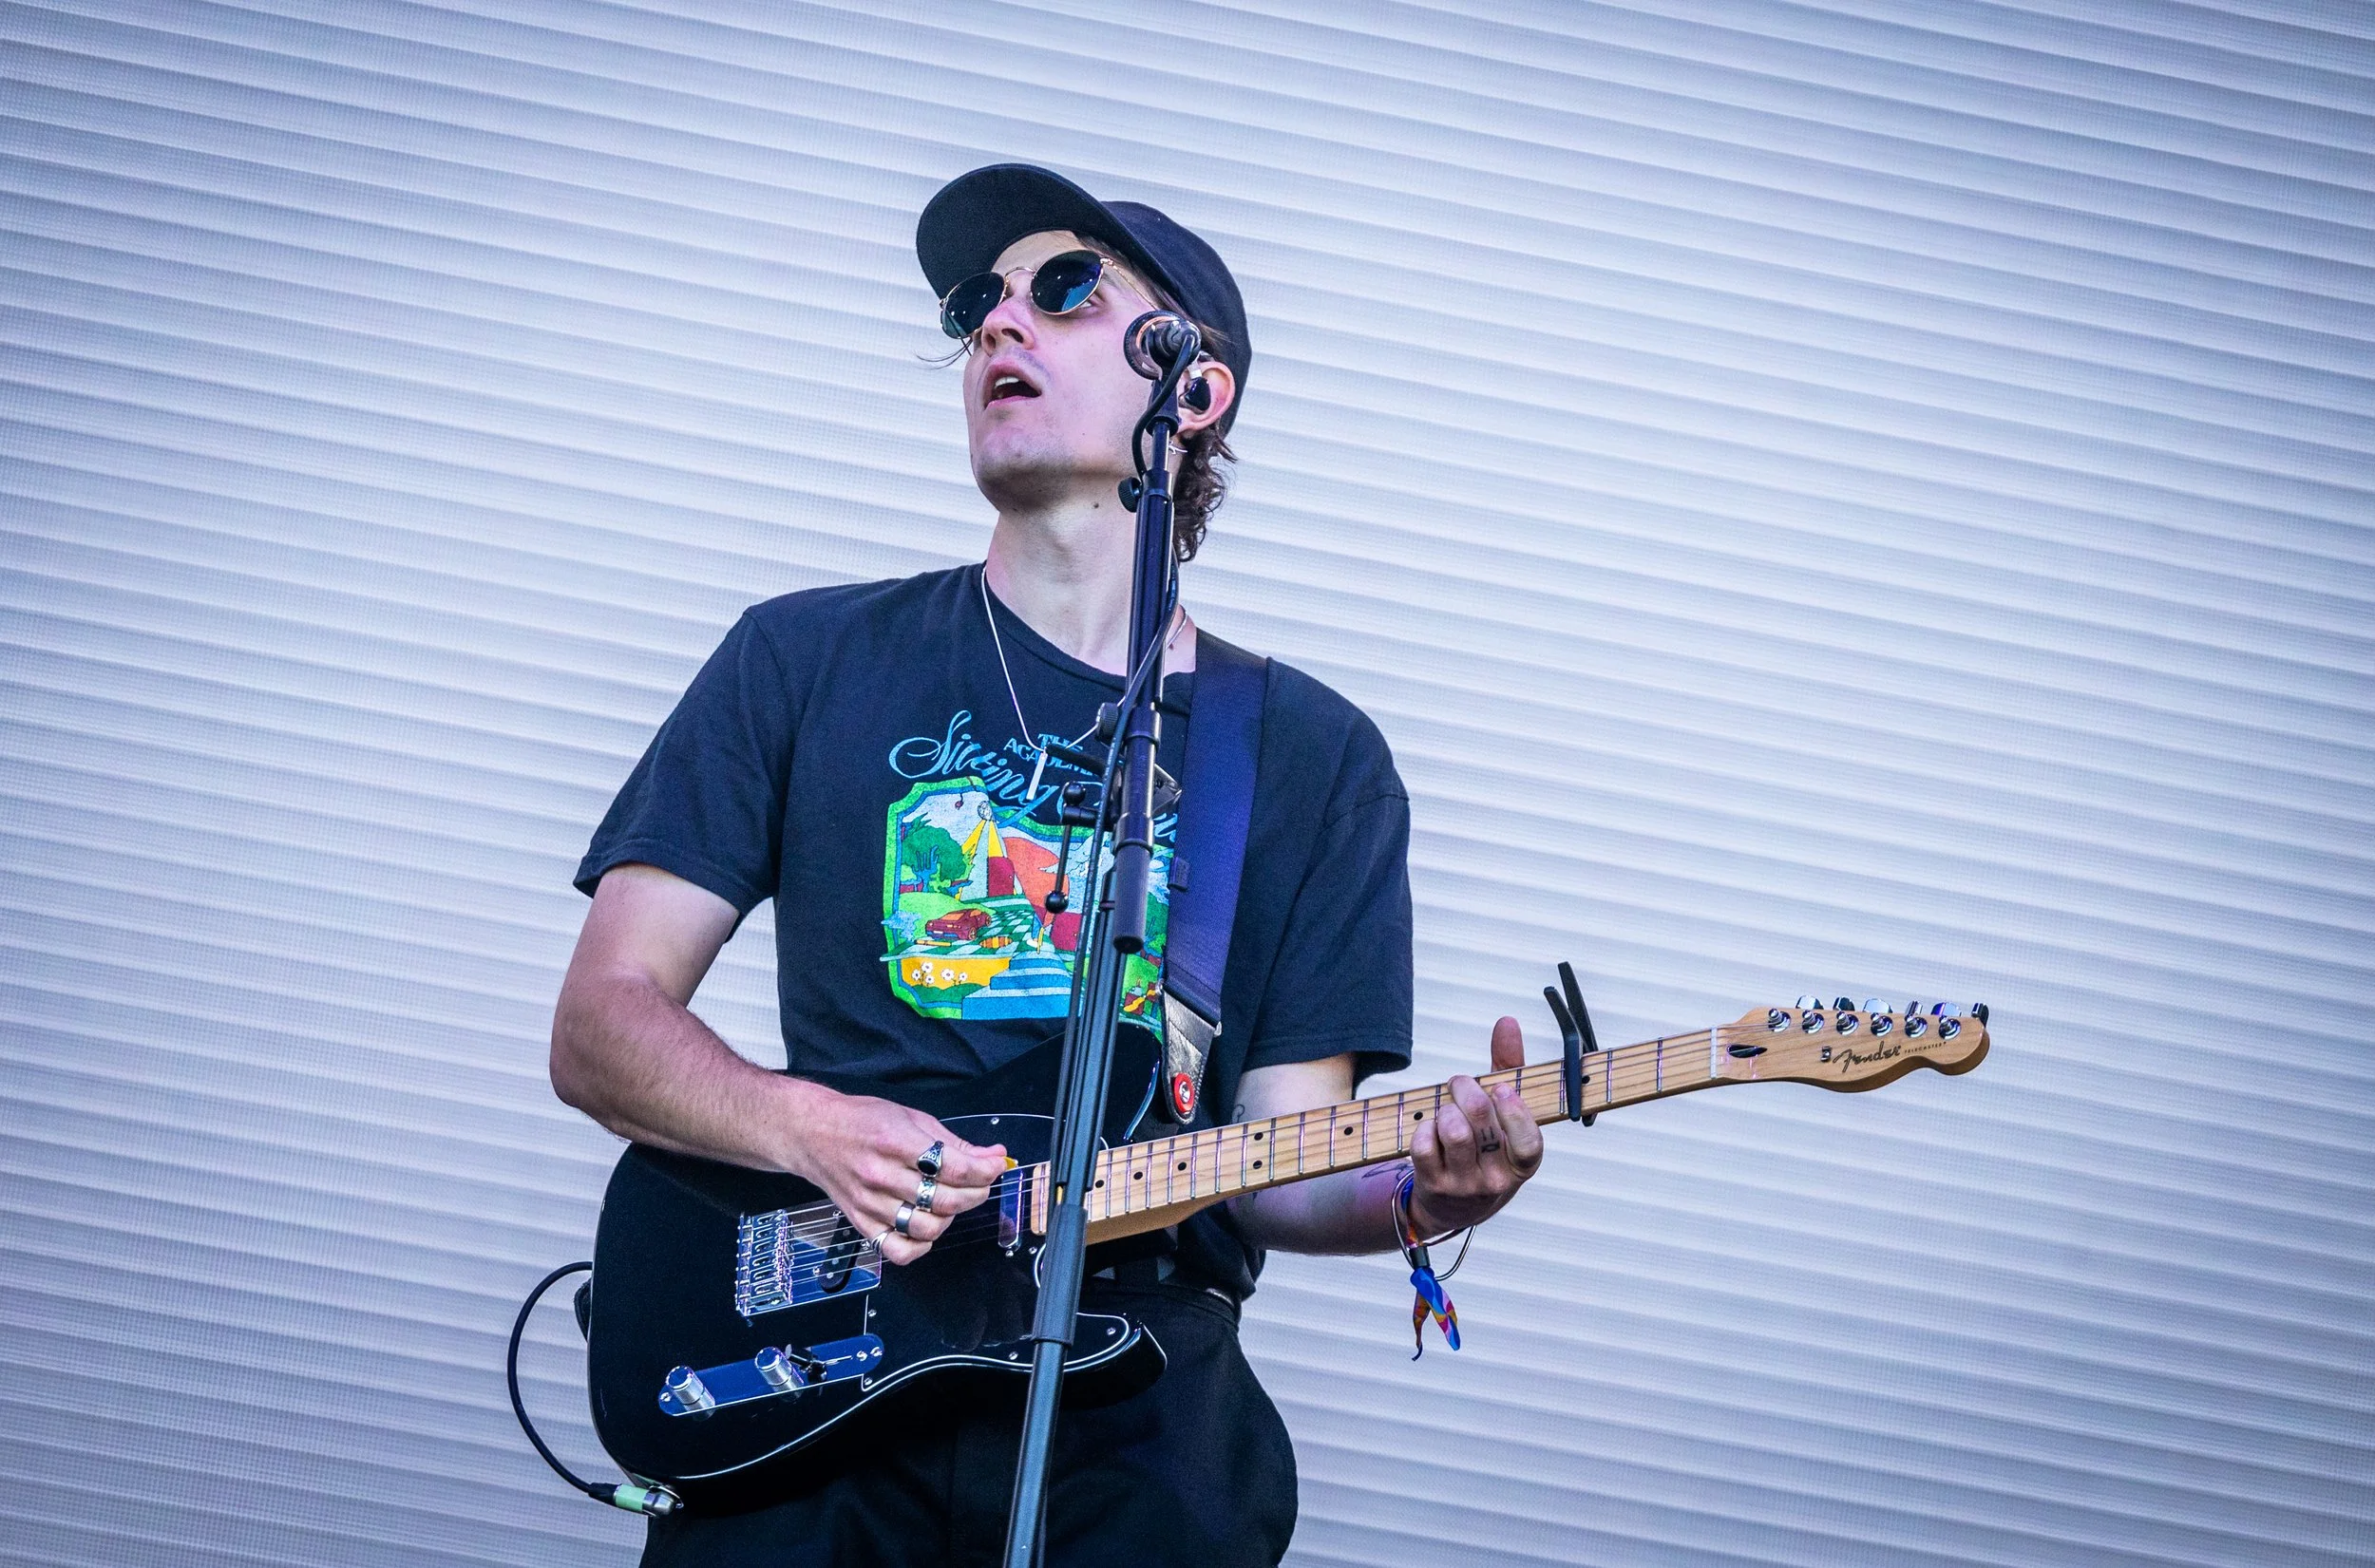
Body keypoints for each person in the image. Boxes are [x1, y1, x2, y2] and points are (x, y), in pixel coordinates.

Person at [550, 163, 1546, 1568]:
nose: (1000, 324)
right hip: (820, 1397)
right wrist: (804, 1126)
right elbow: (602, 1022)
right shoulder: (802, 657)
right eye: (981, 303)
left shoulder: (1310, 757)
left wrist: (1427, 1195)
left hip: (1135, 1420)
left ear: (1194, 393)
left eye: (1066, 289)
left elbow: (1281, 1159)